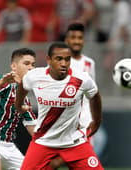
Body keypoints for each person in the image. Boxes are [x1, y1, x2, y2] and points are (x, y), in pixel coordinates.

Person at [15, 42, 103, 170]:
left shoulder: (82, 79)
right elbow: (22, 88)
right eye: (59, 59)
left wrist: (96, 121)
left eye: (67, 59)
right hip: (43, 141)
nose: (64, 63)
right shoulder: (34, 76)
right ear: (48, 60)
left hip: (74, 142)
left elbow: (95, 96)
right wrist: (18, 105)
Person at [49, 22, 97, 169]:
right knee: (52, 162)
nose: (77, 41)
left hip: (85, 123)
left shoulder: (89, 63)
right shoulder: (59, 63)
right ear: (66, 40)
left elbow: (93, 94)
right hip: (63, 123)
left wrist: (95, 119)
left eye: (80, 38)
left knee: (79, 164)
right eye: (73, 37)